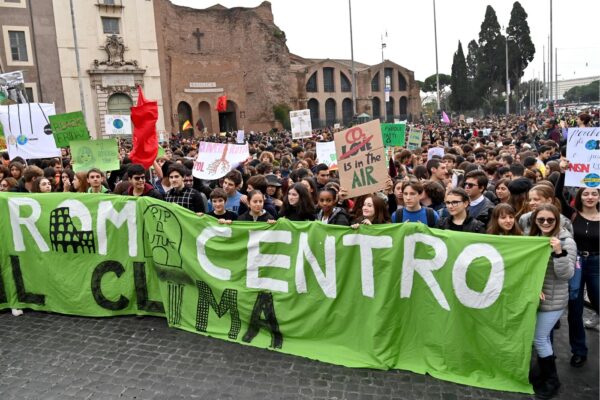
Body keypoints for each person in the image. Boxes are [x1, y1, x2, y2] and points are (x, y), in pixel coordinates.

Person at [528, 204, 576, 399]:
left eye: (550, 220)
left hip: (554, 300)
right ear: (535, 221)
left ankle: (552, 380)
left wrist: (558, 252)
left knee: (539, 338)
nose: (546, 223)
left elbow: (567, 274)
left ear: (557, 220)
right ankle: (542, 374)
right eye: (541, 220)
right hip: (536, 298)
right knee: (542, 338)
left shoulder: (566, 241)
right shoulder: (534, 238)